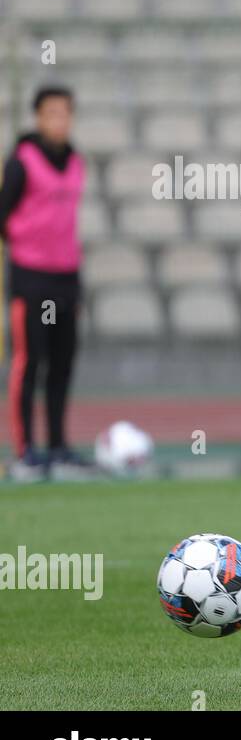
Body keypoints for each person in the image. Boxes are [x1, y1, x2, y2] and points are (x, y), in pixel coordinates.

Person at [1, 86, 94, 483]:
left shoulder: (74, 161)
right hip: (31, 277)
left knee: (62, 363)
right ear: (38, 117)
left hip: (66, 276)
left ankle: (58, 446)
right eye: (51, 113)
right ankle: (27, 452)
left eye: (65, 113)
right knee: (29, 363)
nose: (59, 121)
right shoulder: (22, 161)